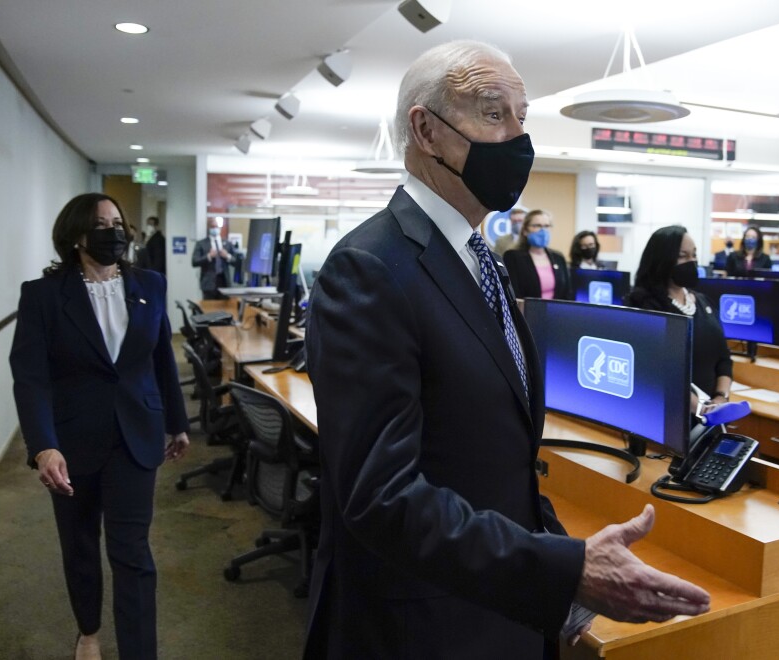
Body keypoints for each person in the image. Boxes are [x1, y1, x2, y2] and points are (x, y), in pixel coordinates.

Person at [304, 40, 710, 659]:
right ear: (427, 131)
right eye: (494, 114)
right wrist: (563, 571)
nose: (519, 138)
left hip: (493, 606)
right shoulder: (369, 268)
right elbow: (381, 497)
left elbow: (500, 460)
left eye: (524, 117)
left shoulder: (478, 258)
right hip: (426, 626)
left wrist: (562, 582)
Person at [9, 193, 190, 660]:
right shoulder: (43, 295)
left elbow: (160, 357)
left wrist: (177, 420)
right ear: (75, 236)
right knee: (81, 545)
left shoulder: (149, 283)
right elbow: (30, 378)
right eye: (100, 225)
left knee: (132, 553)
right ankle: (88, 631)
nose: (113, 232)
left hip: (136, 435)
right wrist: (43, 446)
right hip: (71, 441)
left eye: (117, 223)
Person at [626, 225, 733, 411]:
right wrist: (700, 409)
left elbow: (723, 358)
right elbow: (654, 371)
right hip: (666, 417)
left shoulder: (702, 301)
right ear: (662, 260)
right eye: (682, 256)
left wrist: (720, 397)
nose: (691, 262)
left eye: (694, 255)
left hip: (711, 415)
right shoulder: (643, 307)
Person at [503, 209, 572, 299]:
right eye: (537, 226)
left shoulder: (558, 258)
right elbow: (513, 293)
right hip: (527, 311)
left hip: (556, 312)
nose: (543, 230)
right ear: (525, 231)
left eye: (547, 226)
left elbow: (567, 292)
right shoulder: (512, 257)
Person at [191, 217, 238, 299]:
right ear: (208, 228)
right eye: (212, 226)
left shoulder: (227, 243)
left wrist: (227, 256)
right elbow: (194, 262)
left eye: (216, 227)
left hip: (224, 282)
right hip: (208, 284)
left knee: (226, 309)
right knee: (210, 309)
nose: (215, 229)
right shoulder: (201, 243)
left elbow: (236, 262)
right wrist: (209, 256)